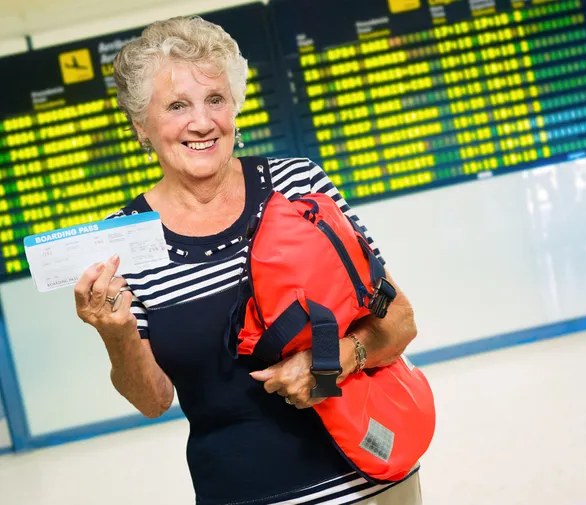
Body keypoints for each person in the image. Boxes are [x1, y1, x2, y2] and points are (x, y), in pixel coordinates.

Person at [74, 16, 422, 505]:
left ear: (234, 107)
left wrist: (331, 364)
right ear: (141, 127)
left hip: (372, 481)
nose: (201, 121)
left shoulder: (299, 186)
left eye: (215, 99)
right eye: (177, 105)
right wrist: (116, 332)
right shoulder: (125, 241)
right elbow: (152, 400)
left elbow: (399, 322)